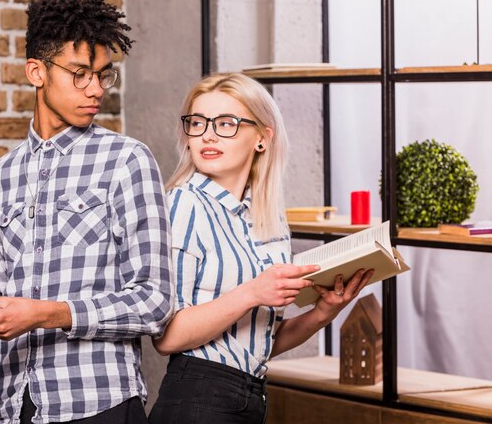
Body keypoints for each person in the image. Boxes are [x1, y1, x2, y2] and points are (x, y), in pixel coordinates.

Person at [0, 0, 173, 424]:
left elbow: (154, 301)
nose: (95, 89)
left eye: (103, 74)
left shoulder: (127, 161)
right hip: (17, 406)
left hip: (99, 404)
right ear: (37, 71)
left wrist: (47, 314)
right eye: (79, 73)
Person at [148, 73, 372, 424]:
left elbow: (258, 343)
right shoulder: (184, 204)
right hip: (197, 397)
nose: (208, 134)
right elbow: (167, 337)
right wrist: (253, 292)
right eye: (198, 123)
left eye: (226, 124)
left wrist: (321, 314)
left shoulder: (267, 219)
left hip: (251, 396)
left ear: (262, 138)